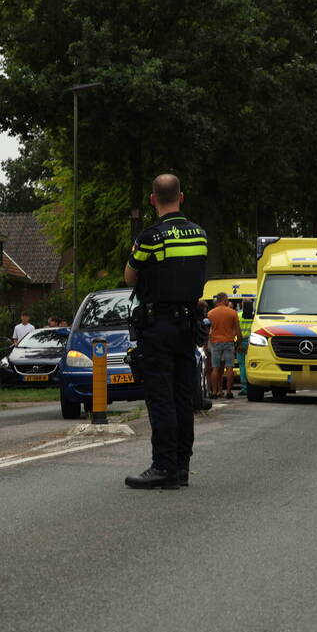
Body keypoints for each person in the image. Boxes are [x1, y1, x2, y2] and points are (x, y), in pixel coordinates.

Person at [123, 173, 208, 489]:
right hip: (188, 325)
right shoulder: (200, 235)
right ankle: (182, 467)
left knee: (161, 398)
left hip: (157, 325)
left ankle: (164, 466)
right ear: (181, 197)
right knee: (183, 397)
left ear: (152, 199)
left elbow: (130, 277)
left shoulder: (151, 237)